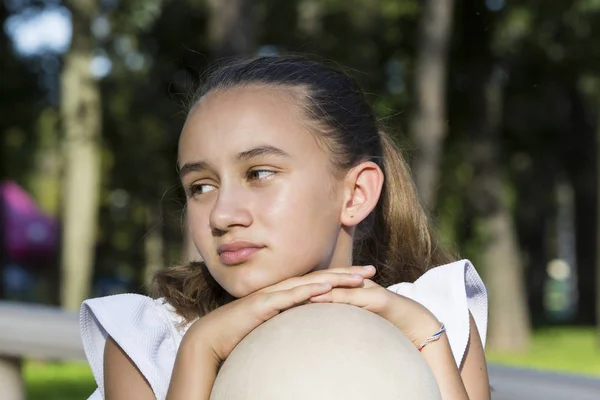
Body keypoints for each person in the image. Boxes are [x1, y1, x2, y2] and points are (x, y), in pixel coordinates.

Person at [80, 55, 490, 400]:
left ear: (355, 194)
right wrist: (200, 349)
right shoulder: (150, 343)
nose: (222, 215)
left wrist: (426, 337)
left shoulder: (437, 319)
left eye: (259, 173)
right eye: (201, 186)